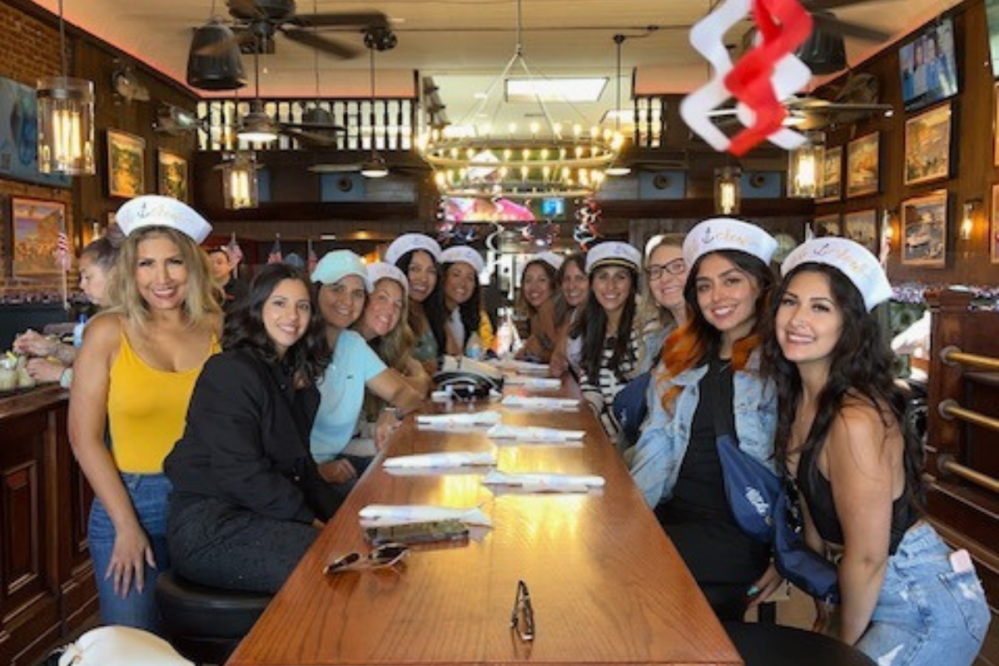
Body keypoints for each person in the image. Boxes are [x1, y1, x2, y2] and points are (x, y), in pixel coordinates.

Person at [763, 237, 990, 664]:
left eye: (820, 307)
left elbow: (867, 557)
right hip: (865, 590)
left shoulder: (855, 418)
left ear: (850, 326)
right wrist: (824, 607)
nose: (797, 319)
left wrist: (835, 646)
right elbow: (816, 521)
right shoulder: (799, 396)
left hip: (919, 603)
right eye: (790, 302)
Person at [67, 195, 221, 633]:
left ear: (192, 265)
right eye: (146, 264)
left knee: (202, 641)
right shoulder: (106, 331)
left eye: (174, 262)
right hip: (130, 499)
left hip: (205, 500)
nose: (162, 278)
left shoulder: (215, 325)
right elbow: (84, 439)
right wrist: (125, 526)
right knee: (134, 647)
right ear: (130, 271)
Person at [629, 217, 779, 621]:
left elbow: (802, 464)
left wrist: (787, 553)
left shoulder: (781, 363)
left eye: (732, 281)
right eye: (705, 285)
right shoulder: (680, 356)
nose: (717, 296)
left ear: (761, 286)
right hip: (673, 514)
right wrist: (626, 515)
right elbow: (654, 444)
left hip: (736, 532)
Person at [164, 264, 334, 594]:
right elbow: (240, 472)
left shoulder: (293, 379)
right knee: (332, 561)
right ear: (257, 308)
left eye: (302, 306)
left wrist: (346, 521)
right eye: (279, 303)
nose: (292, 316)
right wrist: (314, 523)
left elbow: (303, 469)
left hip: (261, 514)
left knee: (353, 544)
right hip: (210, 525)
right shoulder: (230, 370)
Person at [310, 251, 424, 504]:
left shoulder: (352, 344)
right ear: (316, 291)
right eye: (337, 288)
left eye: (357, 293)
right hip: (300, 474)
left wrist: (391, 411)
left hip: (338, 460)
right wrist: (314, 470)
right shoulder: (296, 343)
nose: (347, 301)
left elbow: (409, 394)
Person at [16, 230, 122, 387]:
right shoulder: (108, 318)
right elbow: (93, 358)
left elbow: (118, 382)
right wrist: (52, 348)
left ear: (114, 275)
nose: (81, 285)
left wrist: (61, 374)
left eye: (87, 277)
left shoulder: (126, 320)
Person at [566, 241, 643, 446]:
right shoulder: (590, 325)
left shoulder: (646, 327)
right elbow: (591, 385)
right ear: (592, 284)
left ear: (632, 284)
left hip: (639, 442)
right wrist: (586, 411)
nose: (611, 286)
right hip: (606, 438)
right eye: (603, 277)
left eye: (620, 277)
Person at [385, 233, 443, 373]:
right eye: (414, 269)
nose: (423, 278)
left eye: (430, 271)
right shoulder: (390, 315)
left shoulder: (429, 311)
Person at [426, 245, 492, 359]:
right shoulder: (427, 314)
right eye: (456, 275)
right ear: (443, 278)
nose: (462, 283)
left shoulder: (463, 315)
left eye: (469, 278)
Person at [637, 234, 689, 373]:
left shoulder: (721, 339)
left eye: (677, 266)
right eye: (656, 271)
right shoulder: (656, 341)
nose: (664, 278)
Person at [515, 251, 563, 363]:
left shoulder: (549, 309)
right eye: (528, 281)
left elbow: (565, 358)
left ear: (554, 284)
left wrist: (535, 354)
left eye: (542, 280)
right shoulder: (537, 315)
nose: (533, 287)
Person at [549, 252, 589, 377]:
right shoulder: (573, 315)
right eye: (567, 279)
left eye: (580, 278)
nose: (571, 286)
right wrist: (558, 363)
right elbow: (557, 356)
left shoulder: (606, 316)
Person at [207, 245, 247, 313]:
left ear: (229, 265)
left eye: (219, 262)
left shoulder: (242, 288)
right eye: (210, 263)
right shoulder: (202, 289)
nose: (214, 266)